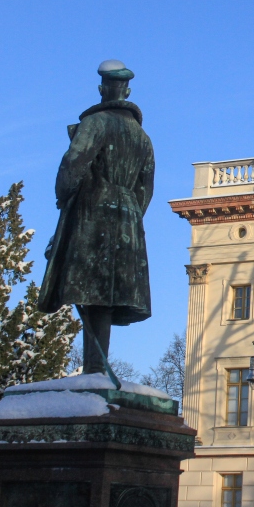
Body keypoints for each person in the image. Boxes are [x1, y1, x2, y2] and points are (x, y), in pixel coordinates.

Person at [38, 60, 155, 376]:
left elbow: (72, 167)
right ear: (126, 91)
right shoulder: (143, 139)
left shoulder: (96, 123)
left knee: (92, 290)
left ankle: (94, 368)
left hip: (94, 211)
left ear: (103, 89)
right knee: (104, 293)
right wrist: (130, 215)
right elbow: (146, 190)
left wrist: (64, 199)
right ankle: (95, 367)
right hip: (128, 217)